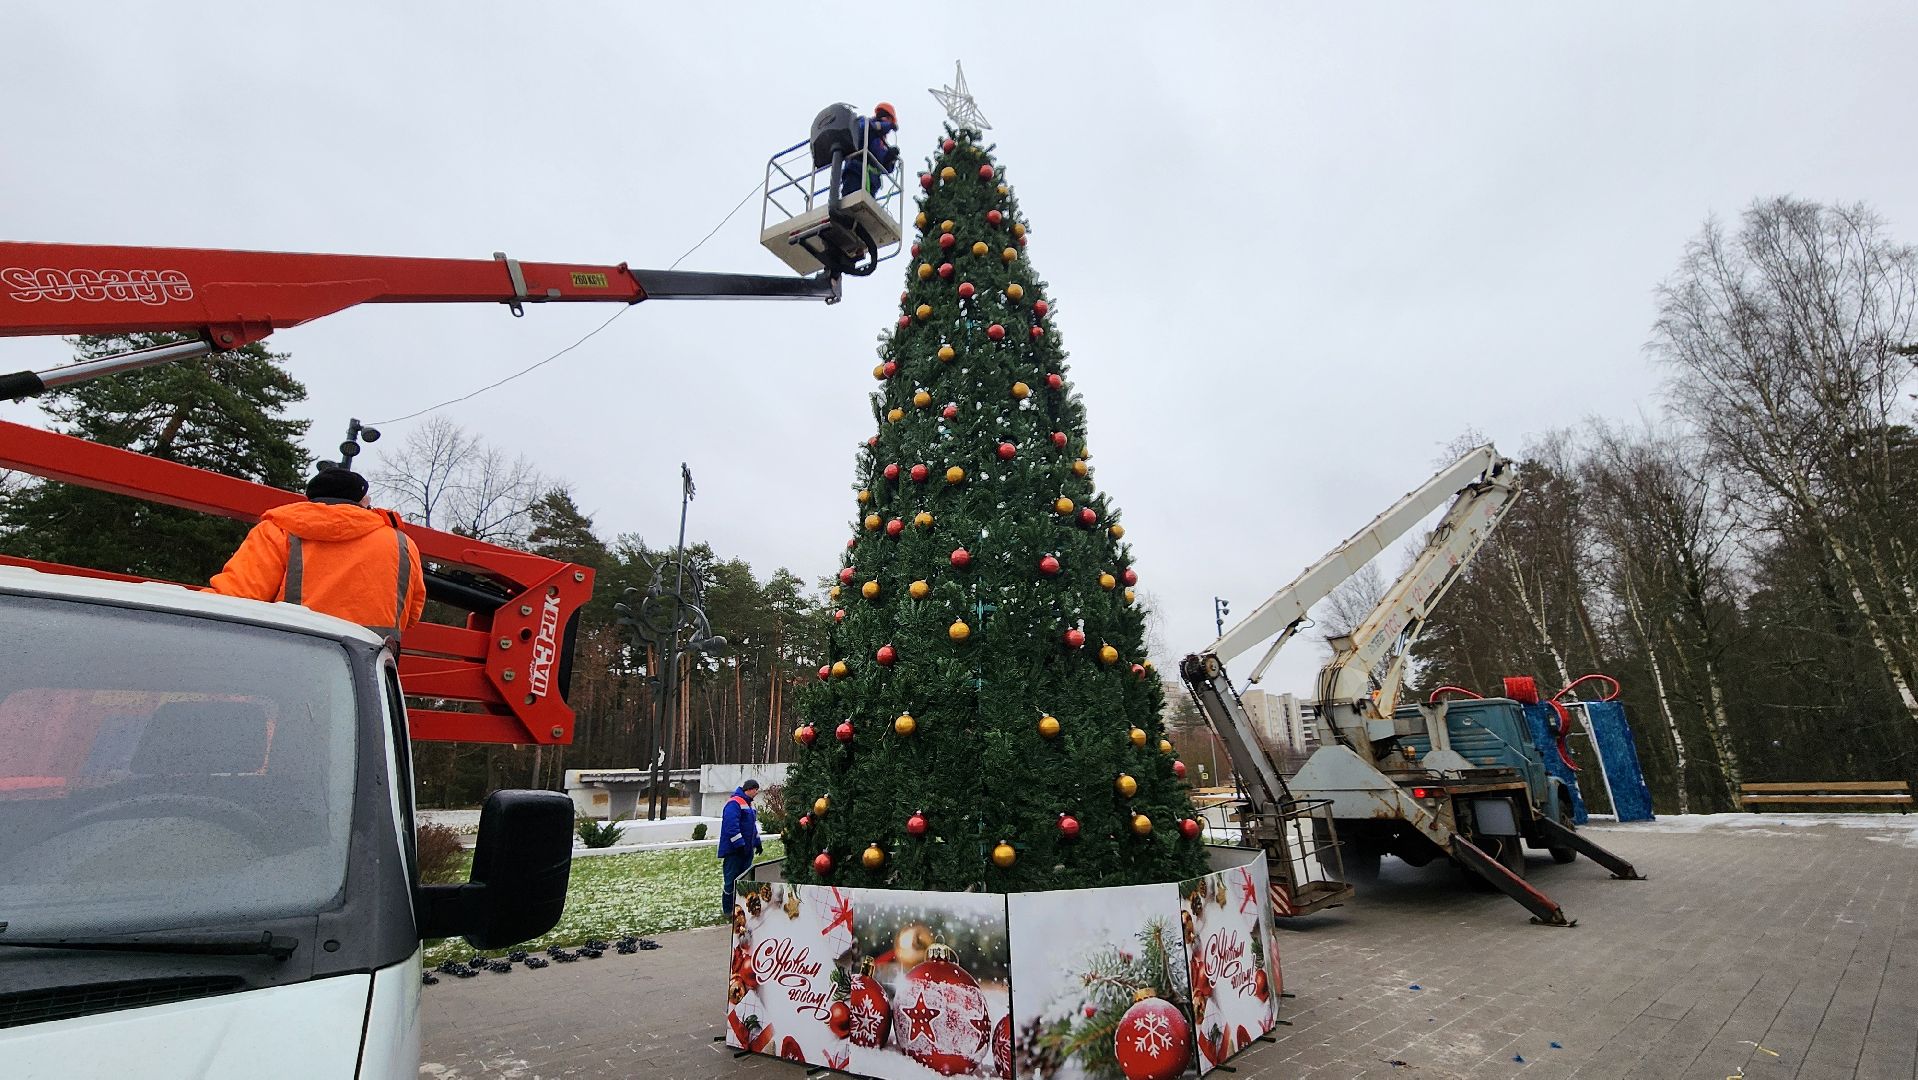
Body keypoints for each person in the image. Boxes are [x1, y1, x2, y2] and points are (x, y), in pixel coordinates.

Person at [209, 467, 426, 638]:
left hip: (287, 660)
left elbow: (236, 596)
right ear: (362, 501)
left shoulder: (279, 529)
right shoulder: (402, 544)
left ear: (311, 499)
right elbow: (412, 616)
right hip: (370, 672)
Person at [718, 779, 763, 917]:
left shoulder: (749, 806)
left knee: (744, 880)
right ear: (749, 789)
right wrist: (739, 845)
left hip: (746, 851)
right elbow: (731, 826)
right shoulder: (735, 803)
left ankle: (742, 907)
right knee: (731, 880)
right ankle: (728, 910)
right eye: (755, 789)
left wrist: (757, 842)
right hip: (734, 851)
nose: (756, 792)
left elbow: (751, 828)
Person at [840, 101, 900, 197]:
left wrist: (891, 157)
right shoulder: (865, 122)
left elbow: (886, 167)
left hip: (871, 182)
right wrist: (889, 125)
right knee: (851, 199)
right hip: (856, 172)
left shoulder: (881, 144)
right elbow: (864, 129)